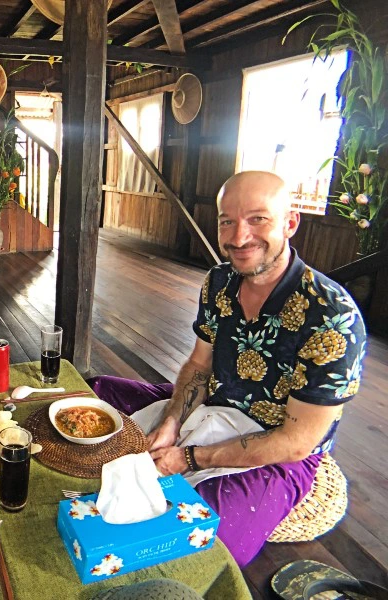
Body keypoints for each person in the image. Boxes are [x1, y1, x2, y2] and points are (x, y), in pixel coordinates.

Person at [89, 171, 366, 565]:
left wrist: (188, 458)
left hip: (276, 448)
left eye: (257, 219)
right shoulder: (220, 281)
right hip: (213, 407)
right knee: (95, 389)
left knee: (201, 538)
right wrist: (171, 423)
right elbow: (199, 365)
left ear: (290, 223)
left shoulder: (331, 317)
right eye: (227, 221)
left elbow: (296, 442)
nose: (238, 238)